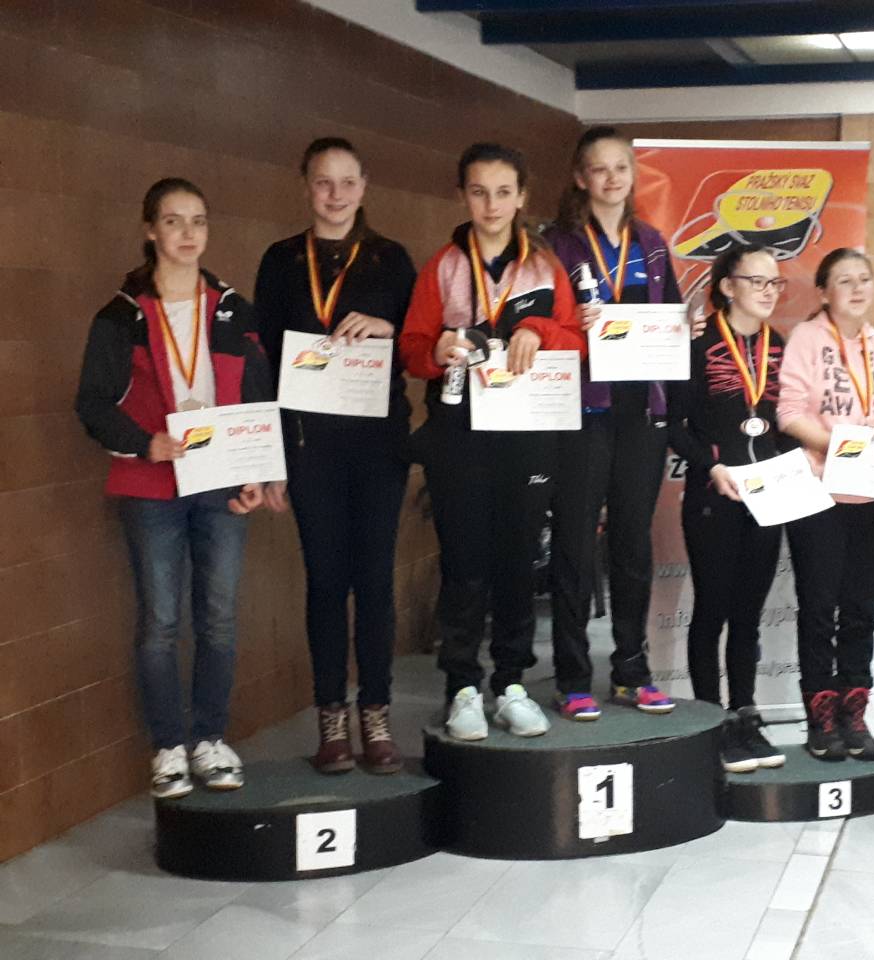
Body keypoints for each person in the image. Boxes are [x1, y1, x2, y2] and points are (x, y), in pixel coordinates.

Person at [75, 178, 272, 798]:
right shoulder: (121, 315)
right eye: (173, 221)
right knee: (160, 621)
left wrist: (256, 472)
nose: (188, 233)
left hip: (221, 482)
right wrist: (144, 443)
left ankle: (210, 739)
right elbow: (91, 403)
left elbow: (259, 397)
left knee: (219, 618)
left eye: (198, 221)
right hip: (151, 483)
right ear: (150, 230)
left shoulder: (235, 310)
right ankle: (168, 748)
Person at [400, 142, 585, 741]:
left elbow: (577, 339)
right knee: (464, 561)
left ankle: (510, 683)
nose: (491, 205)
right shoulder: (443, 266)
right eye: (479, 192)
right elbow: (412, 348)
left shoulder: (545, 266)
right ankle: (461, 686)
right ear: (463, 196)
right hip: (459, 433)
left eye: (504, 192)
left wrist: (537, 327)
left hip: (527, 432)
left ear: (522, 197)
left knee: (517, 559)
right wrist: (436, 350)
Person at [254, 138, 417, 775]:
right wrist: (268, 454)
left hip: (378, 445)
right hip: (309, 446)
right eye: (324, 182)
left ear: (364, 186)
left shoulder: (391, 259)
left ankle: (375, 714)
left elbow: (423, 346)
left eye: (348, 182)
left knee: (374, 581)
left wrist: (389, 328)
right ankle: (330, 717)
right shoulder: (281, 260)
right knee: (325, 581)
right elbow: (263, 360)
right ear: (306, 186)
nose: (336, 195)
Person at [545, 127, 680, 720]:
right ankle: (572, 678)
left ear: (632, 173)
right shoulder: (556, 245)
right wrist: (568, 322)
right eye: (598, 169)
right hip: (581, 409)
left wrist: (686, 327)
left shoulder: (651, 243)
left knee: (632, 544)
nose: (611, 178)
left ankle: (631, 671)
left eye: (620, 167)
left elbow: (671, 315)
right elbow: (539, 323)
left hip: (640, 412)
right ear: (581, 178)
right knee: (575, 545)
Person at [668, 244, 788, 774]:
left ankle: (745, 712)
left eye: (774, 282)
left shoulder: (778, 345)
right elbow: (673, 425)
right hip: (714, 494)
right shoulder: (698, 343)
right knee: (712, 608)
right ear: (727, 286)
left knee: (747, 614)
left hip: (767, 495)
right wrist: (710, 466)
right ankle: (708, 718)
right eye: (756, 280)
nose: (767, 291)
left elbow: (783, 422)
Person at [777, 248, 874, 762]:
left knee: (862, 609)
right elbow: (789, 413)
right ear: (824, 291)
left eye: (864, 279)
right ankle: (821, 717)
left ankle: (855, 710)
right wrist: (841, 447)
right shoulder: (806, 338)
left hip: (872, 491)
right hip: (819, 490)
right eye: (844, 281)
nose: (856, 289)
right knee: (819, 606)